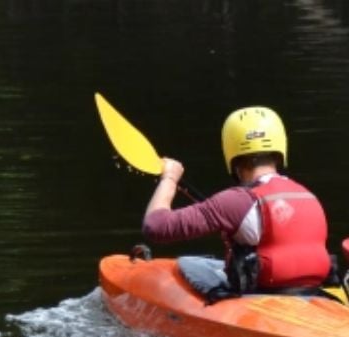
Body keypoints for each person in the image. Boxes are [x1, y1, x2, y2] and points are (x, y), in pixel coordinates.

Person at [141, 105, 331, 297]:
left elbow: (155, 226)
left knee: (187, 263)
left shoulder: (236, 201)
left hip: (264, 296)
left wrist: (170, 178)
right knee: (209, 264)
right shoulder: (308, 195)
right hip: (312, 293)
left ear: (233, 156)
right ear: (280, 151)